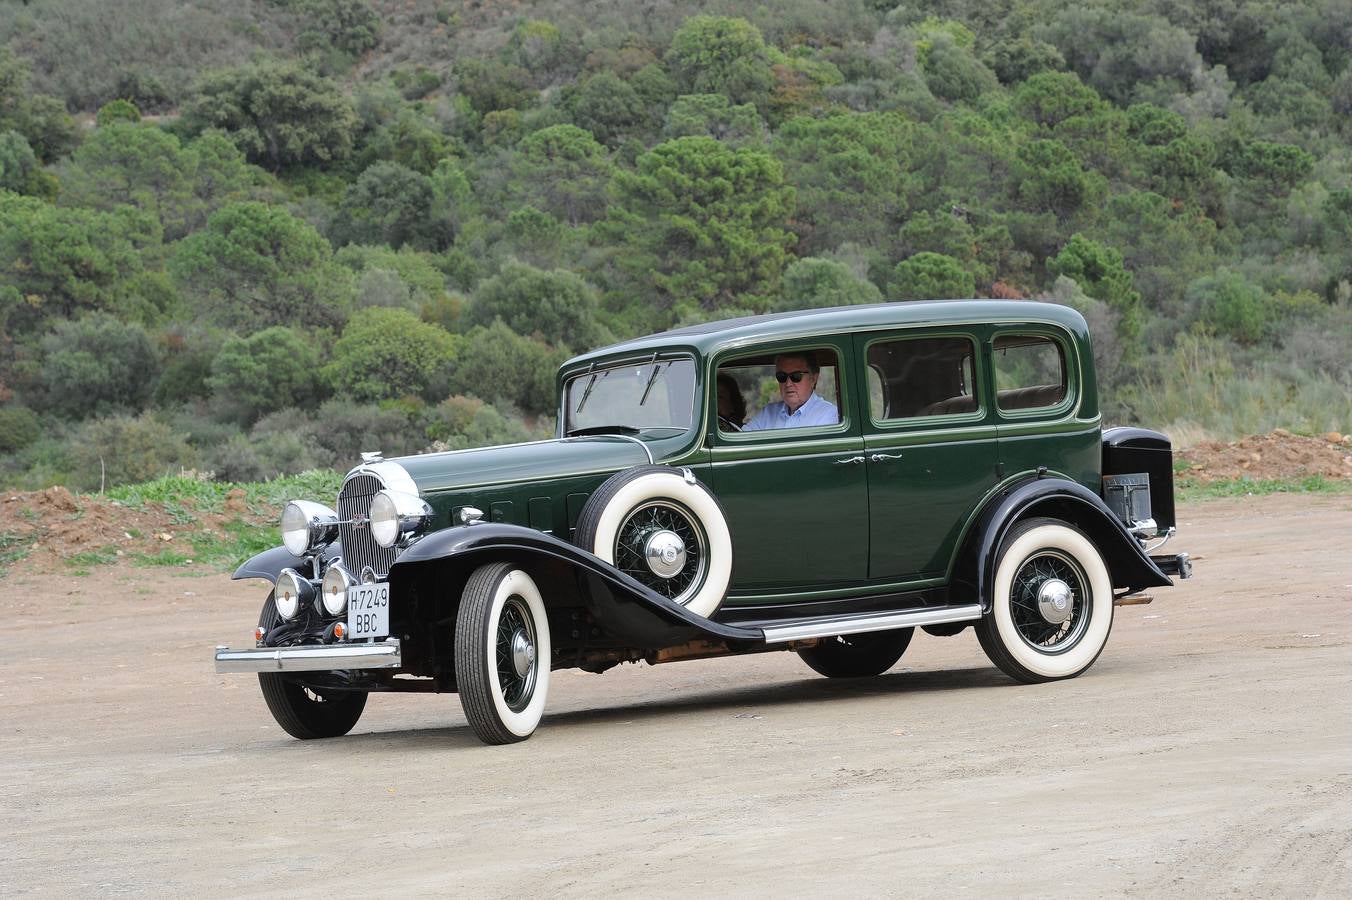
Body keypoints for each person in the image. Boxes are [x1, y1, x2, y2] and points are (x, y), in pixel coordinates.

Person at [741, 352, 839, 431]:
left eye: (796, 376)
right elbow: (741, 441)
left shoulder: (829, 415)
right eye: (782, 377)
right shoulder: (768, 413)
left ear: (813, 378)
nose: (788, 384)